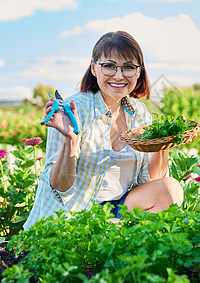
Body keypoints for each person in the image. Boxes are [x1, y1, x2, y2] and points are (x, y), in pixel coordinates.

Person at [24, 31, 183, 230]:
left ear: (139, 71)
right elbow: (60, 187)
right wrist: (71, 140)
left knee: (170, 189)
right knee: (107, 230)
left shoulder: (140, 113)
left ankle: (114, 232)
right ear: (93, 67)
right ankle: (113, 234)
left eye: (128, 67)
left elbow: (149, 180)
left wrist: (163, 143)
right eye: (109, 66)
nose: (119, 75)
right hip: (74, 212)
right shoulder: (71, 111)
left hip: (118, 210)